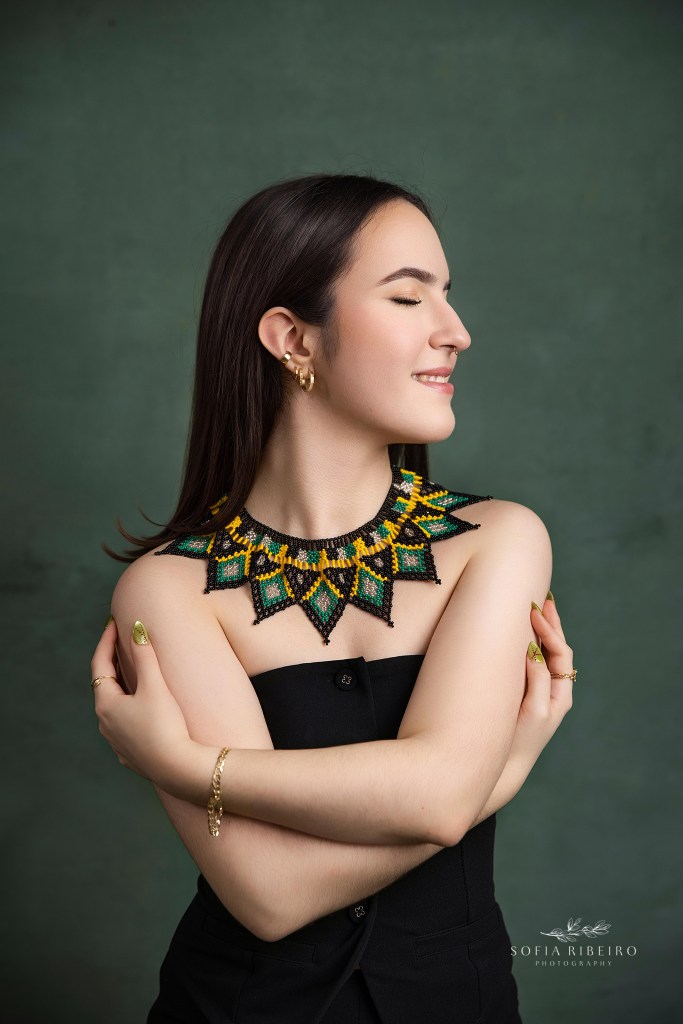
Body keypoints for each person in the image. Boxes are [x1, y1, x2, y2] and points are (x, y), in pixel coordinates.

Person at [91, 173, 576, 1024]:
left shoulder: (499, 540)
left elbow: (439, 797)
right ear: (292, 339)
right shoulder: (165, 587)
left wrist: (187, 767)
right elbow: (269, 896)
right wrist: (495, 769)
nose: (455, 332)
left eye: (446, 297)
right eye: (406, 297)